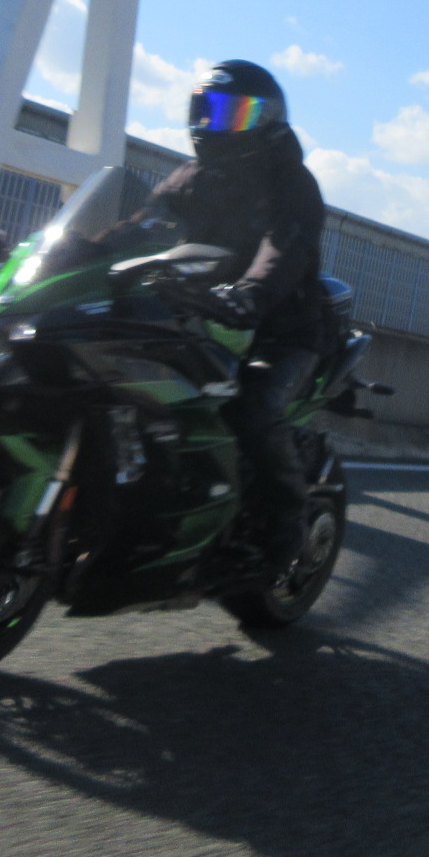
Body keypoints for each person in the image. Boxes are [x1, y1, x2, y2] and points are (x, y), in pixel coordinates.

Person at [137, 60, 329, 574]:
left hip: (278, 330)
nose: (213, 125)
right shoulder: (191, 177)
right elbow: (139, 226)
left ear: (267, 120)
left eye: (232, 113)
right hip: (199, 318)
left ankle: (285, 531)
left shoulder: (292, 184)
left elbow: (283, 249)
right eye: (206, 110)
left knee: (253, 409)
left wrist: (249, 293)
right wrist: (72, 251)